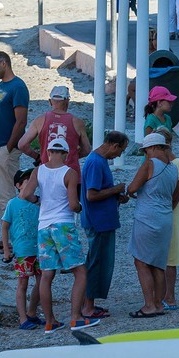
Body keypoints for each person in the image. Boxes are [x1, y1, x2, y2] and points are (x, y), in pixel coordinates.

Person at [27, 132, 87, 333]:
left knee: (46, 275)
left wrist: (38, 201)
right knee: (79, 271)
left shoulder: (39, 171)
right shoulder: (69, 173)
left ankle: (50, 321)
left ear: (49, 152)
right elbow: (72, 204)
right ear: (66, 154)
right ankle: (76, 317)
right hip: (63, 224)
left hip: (43, 225)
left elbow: (25, 194)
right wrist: (80, 207)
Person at [125, 131, 179, 317]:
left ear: (154, 148)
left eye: (146, 150)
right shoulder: (174, 168)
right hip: (165, 217)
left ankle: (149, 304)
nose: (145, 154)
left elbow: (132, 187)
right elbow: (176, 197)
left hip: (146, 217)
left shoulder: (149, 164)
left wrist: (132, 192)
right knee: (158, 264)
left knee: (141, 261)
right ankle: (159, 304)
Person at [80, 130, 129, 323]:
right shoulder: (95, 162)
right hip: (98, 222)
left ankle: (88, 303)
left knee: (98, 262)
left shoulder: (99, 161)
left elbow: (99, 191)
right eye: (121, 150)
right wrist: (116, 189)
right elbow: (92, 195)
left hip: (103, 220)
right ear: (114, 145)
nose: (120, 155)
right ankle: (88, 307)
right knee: (96, 263)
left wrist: (116, 196)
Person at [0, 51, 29, 221]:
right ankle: (6, 237)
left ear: (4, 63)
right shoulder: (0, 86)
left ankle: (16, 239)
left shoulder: (18, 87)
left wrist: (8, 148)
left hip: (6, 148)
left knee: (7, 195)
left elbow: (21, 121)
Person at [19, 82, 90, 177]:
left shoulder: (39, 120)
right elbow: (87, 149)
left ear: (50, 101)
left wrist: (38, 157)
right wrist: (73, 156)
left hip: (47, 172)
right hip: (70, 172)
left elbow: (22, 145)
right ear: (67, 101)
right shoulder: (77, 122)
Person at [2, 166, 42, 328]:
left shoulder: (39, 202)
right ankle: (22, 318)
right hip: (23, 250)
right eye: (28, 181)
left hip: (40, 249)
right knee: (23, 283)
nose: (32, 184)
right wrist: (6, 248)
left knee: (42, 282)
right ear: (18, 185)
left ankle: (32, 312)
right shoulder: (13, 204)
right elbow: (4, 226)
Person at [164, 131, 179, 309]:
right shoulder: (166, 164)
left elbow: (177, 195)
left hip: (171, 216)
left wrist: (164, 212)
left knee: (170, 259)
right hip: (165, 216)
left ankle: (170, 297)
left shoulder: (176, 164)